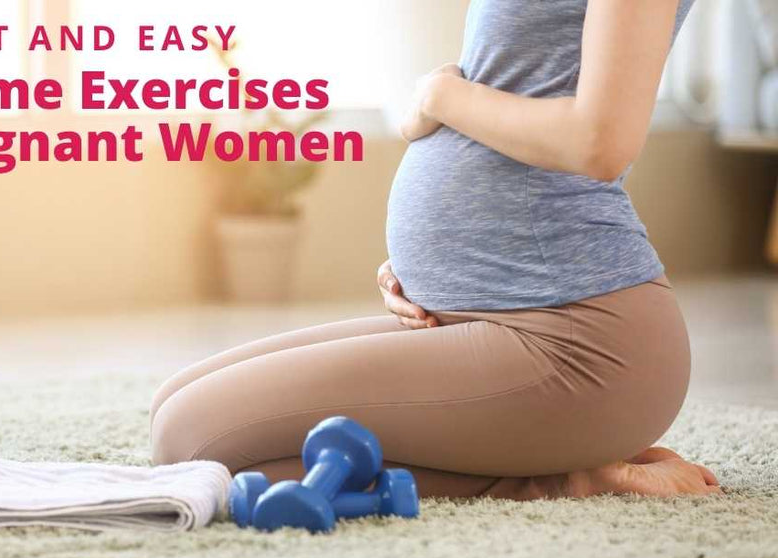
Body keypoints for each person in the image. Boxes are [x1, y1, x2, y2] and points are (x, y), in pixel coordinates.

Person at [150, 0, 721, 499]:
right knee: (171, 408)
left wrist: (441, 94)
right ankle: (550, 455)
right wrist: (440, 264)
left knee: (190, 440)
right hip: (480, 314)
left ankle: (564, 476)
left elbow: (601, 141)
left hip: (578, 342)